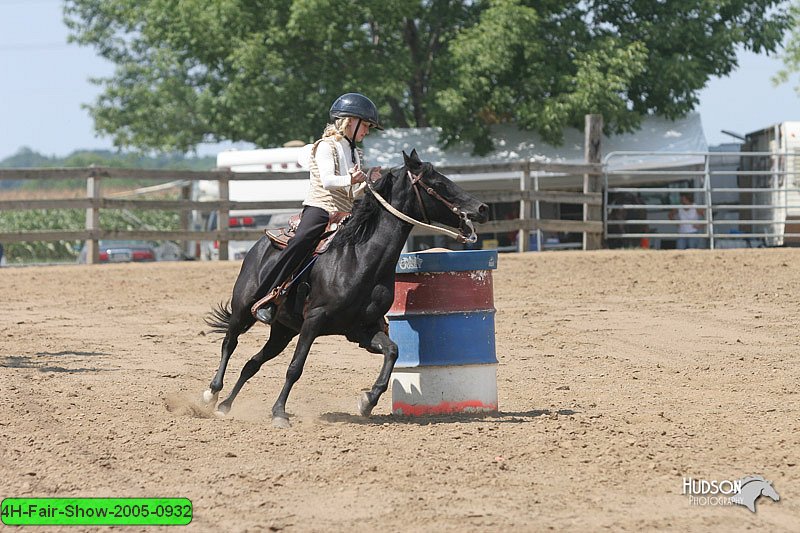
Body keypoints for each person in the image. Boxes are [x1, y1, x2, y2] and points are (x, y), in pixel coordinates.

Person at [253, 93, 383, 324]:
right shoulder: (326, 147)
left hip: (345, 211)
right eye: (365, 125)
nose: (367, 131)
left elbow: (349, 193)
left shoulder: (353, 152)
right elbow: (328, 181)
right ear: (350, 121)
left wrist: (367, 182)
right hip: (320, 208)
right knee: (302, 240)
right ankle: (269, 295)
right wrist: (352, 180)